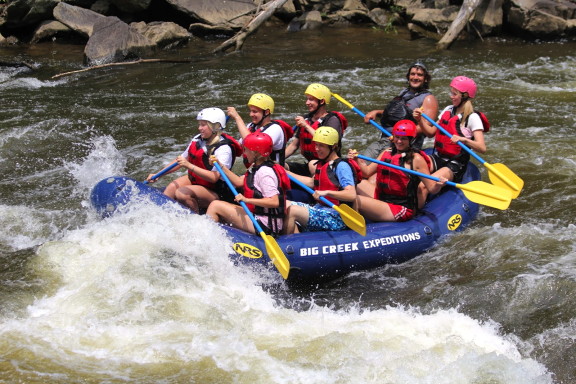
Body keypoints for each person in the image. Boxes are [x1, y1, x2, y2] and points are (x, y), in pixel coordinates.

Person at [146, 107, 242, 213]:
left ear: (215, 127)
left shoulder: (224, 148)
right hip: (198, 181)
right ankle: (161, 214)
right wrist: (158, 175)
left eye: (203, 125)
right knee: (171, 188)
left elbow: (213, 178)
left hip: (216, 191)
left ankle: (195, 219)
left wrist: (189, 166)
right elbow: (181, 160)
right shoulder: (198, 139)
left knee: (182, 193)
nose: (199, 128)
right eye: (199, 124)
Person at [350, 120, 446, 222]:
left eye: (403, 138)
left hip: (401, 208)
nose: (399, 141)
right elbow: (367, 172)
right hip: (382, 199)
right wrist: (356, 160)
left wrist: (438, 185)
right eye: (397, 137)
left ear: (411, 140)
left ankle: (352, 227)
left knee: (355, 199)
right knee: (356, 183)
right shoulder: (387, 152)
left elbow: (431, 188)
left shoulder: (416, 159)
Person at [206, 131, 290, 236]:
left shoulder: (265, 172)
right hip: (259, 217)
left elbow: (274, 201)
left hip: (266, 224)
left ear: (256, 152)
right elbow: (238, 182)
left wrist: (246, 200)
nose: (244, 154)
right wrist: (220, 165)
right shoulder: (256, 166)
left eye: (246, 150)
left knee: (215, 206)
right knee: (220, 208)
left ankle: (207, 239)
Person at [284, 126, 360, 234]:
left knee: (293, 211)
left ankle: (290, 246)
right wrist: (286, 173)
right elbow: (311, 182)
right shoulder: (323, 163)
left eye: (321, 146)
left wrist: (327, 192)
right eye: (316, 144)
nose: (317, 149)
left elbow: (351, 194)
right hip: (321, 209)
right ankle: (297, 244)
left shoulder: (341, 166)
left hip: (337, 217)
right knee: (284, 204)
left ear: (333, 146)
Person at [414, 75, 487, 186]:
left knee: (423, 186)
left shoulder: (472, 118)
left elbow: (482, 148)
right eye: (451, 93)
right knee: (411, 169)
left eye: (454, 94)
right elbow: (430, 132)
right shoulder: (448, 109)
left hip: (456, 163)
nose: (451, 97)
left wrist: (464, 140)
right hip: (439, 156)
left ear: (465, 96)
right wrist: (419, 120)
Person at [362, 61, 439, 158]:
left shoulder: (428, 99)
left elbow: (425, 127)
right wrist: (376, 112)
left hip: (404, 146)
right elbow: (396, 114)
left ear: (426, 79)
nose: (415, 78)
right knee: (362, 161)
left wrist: (398, 135)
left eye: (419, 75)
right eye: (412, 74)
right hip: (387, 139)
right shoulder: (404, 92)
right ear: (408, 76)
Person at [284, 83, 348, 176]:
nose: (307, 102)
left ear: (322, 101)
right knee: (281, 166)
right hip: (311, 164)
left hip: (329, 166)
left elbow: (327, 141)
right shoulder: (307, 119)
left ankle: (315, 186)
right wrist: (278, 160)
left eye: (311, 99)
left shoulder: (332, 120)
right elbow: (294, 146)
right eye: (307, 99)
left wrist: (306, 126)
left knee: (312, 164)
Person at [227, 93, 291, 167]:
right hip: (255, 170)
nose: (251, 114)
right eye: (250, 111)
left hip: (271, 172)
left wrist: (237, 118)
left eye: (255, 111)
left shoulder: (275, 129)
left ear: (266, 112)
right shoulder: (251, 126)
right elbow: (240, 145)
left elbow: (253, 144)